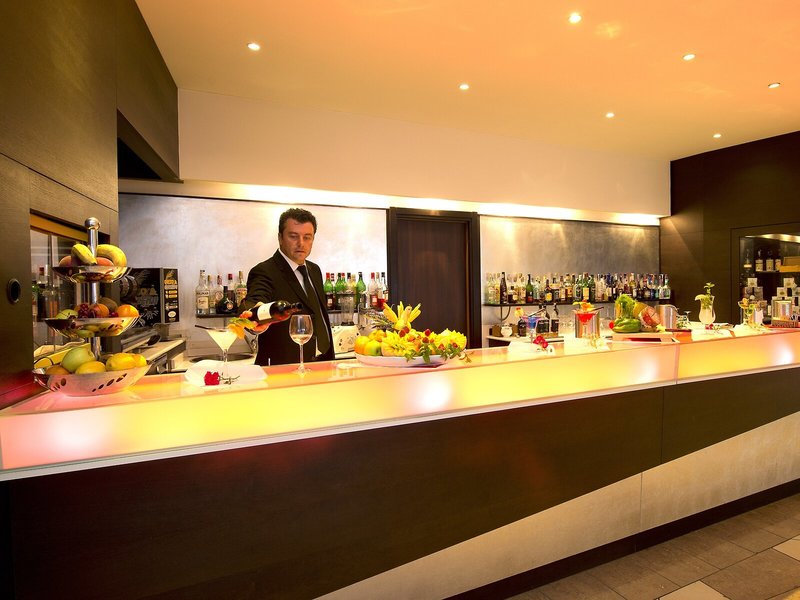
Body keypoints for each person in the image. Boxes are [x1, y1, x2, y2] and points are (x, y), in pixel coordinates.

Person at [240, 208, 334, 366]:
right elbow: (254, 301)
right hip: (283, 367)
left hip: (323, 363)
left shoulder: (314, 270)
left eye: (307, 237)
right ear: (280, 238)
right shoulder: (264, 271)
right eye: (293, 236)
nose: (301, 243)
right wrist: (255, 316)